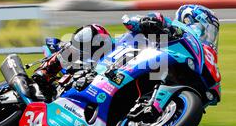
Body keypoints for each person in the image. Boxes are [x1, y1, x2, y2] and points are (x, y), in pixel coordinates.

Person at [33, 5, 219, 100]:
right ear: (188, 20)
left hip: (134, 75)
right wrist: (146, 22)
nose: (207, 36)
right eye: (205, 29)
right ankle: (48, 69)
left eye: (210, 33)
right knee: (95, 31)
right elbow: (132, 20)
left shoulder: (193, 54)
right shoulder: (169, 27)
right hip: (109, 56)